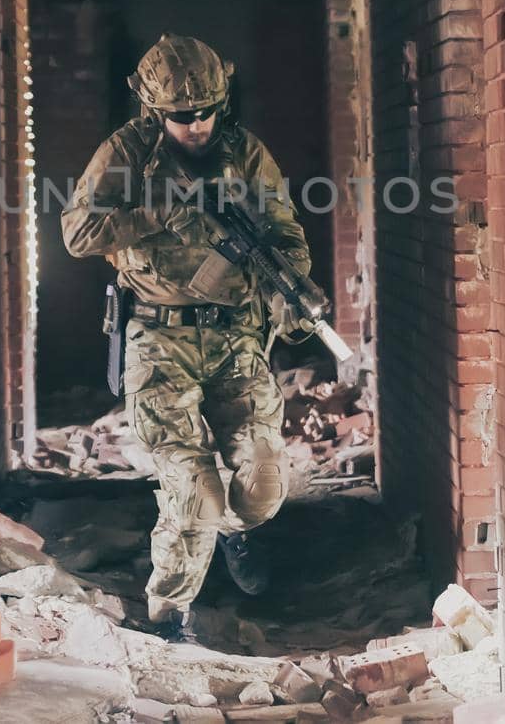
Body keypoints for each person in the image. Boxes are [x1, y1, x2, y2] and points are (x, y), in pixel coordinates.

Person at [60, 34, 313, 643]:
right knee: (193, 487)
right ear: (154, 109)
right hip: (158, 336)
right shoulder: (125, 153)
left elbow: (285, 234)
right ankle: (169, 618)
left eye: (206, 112)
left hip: (236, 338)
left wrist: (291, 293)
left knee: (261, 488)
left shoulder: (246, 155)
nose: (196, 125)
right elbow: (77, 232)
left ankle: (237, 531)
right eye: (180, 115)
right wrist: (158, 210)